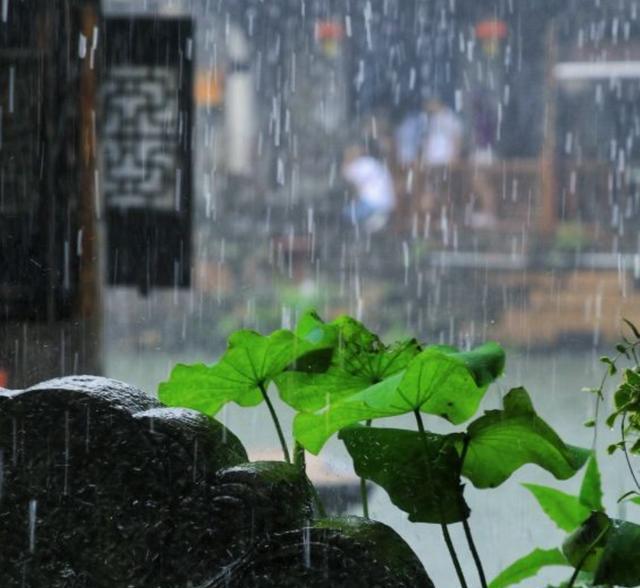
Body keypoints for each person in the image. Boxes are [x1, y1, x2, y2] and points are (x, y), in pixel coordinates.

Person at [342, 144, 396, 232]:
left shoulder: (360, 164)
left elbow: (345, 174)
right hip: (387, 203)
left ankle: (366, 227)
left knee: (345, 215)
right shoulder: (373, 163)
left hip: (373, 203)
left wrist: (347, 160)